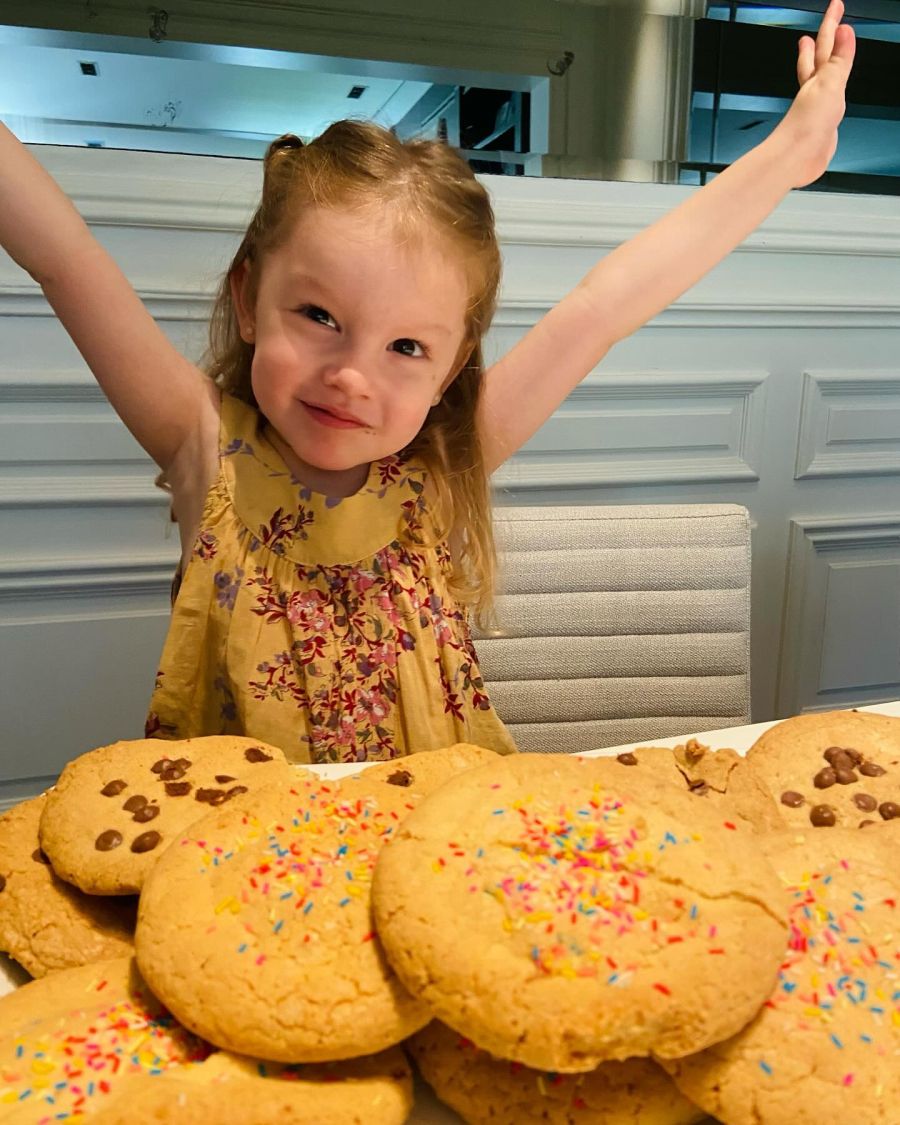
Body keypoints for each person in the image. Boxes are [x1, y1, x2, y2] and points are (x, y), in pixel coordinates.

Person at [0, 2, 855, 764]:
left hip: (422, 844)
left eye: (406, 346)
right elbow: (62, 254)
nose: (351, 375)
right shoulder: (203, 446)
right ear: (248, 299)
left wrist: (783, 156)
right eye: (320, 317)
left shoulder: (441, 465)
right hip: (240, 869)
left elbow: (606, 304)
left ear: (451, 370)